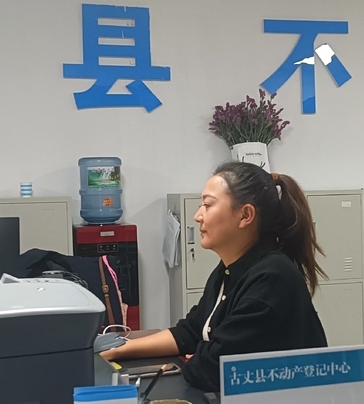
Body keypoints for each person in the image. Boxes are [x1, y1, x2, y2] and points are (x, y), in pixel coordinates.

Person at [106, 161, 328, 392]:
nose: (197, 216)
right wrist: (119, 349)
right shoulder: (228, 271)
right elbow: (191, 332)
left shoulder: (272, 279)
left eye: (208, 205)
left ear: (245, 215)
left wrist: (201, 354)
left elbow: (212, 369)